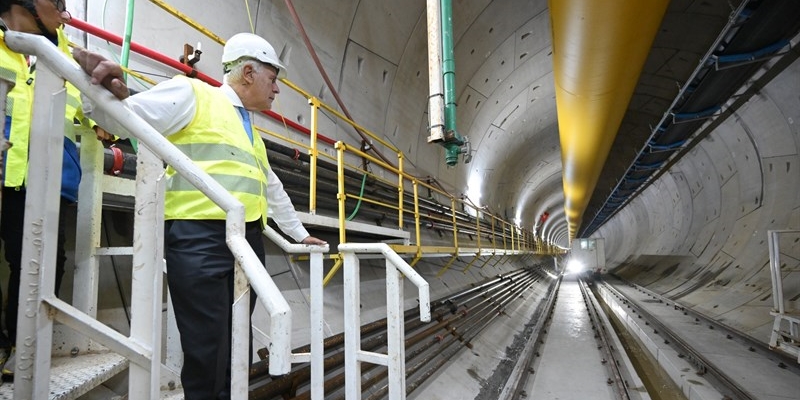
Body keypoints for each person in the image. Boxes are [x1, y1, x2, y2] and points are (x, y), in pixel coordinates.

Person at [73, 32, 326, 399]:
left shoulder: (247, 128)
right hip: (200, 238)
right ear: (250, 73)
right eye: (273, 79)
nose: (277, 90)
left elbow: (270, 186)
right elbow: (121, 118)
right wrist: (97, 87)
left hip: (246, 241)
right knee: (207, 346)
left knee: (235, 340)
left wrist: (298, 235)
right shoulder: (193, 94)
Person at [0, 0, 111, 377]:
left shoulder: (69, 54)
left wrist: (107, 110)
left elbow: (98, 112)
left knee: (41, 265)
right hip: (7, 170)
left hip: (50, 177)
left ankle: (23, 345)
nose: (65, 15)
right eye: (58, 3)